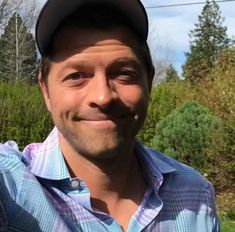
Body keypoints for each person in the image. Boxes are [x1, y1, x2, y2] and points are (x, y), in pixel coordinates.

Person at [0, 0, 220, 231]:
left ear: (149, 82)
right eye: (76, 76)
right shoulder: (10, 184)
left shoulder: (195, 193)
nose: (103, 97)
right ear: (46, 90)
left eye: (124, 74)